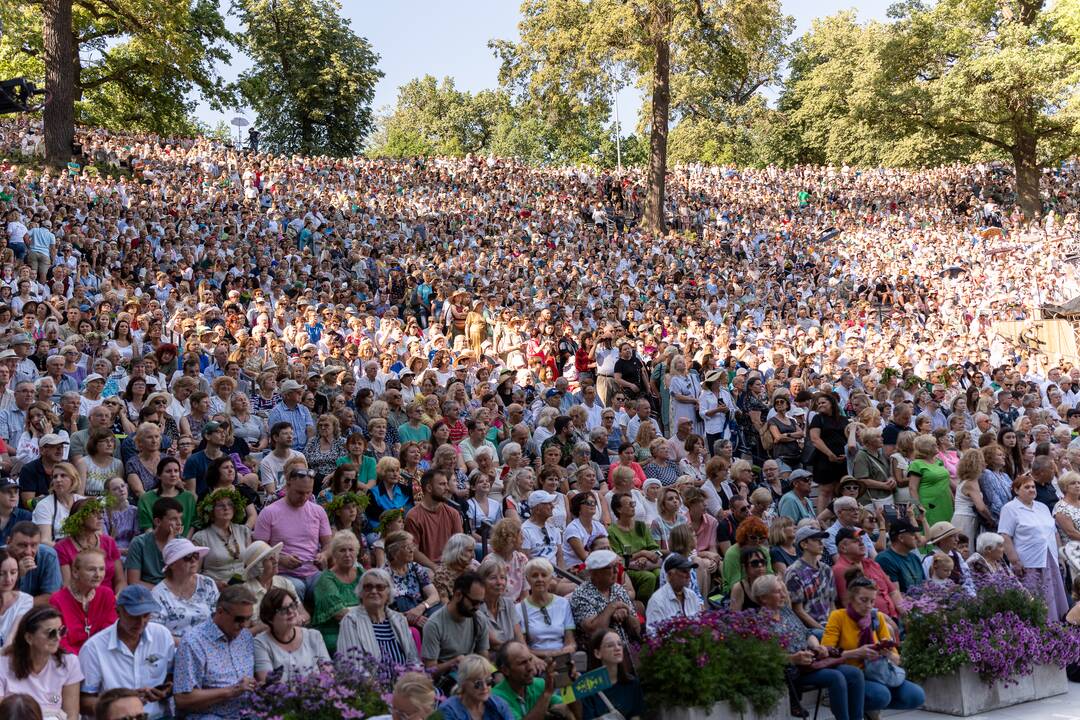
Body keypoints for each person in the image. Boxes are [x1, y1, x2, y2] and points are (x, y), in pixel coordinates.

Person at [755, 574, 865, 720]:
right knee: (836, 677)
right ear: (763, 598)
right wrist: (793, 659)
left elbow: (807, 633)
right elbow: (767, 658)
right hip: (792, 672)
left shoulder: (785, 611)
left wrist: (817, 646)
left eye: (783, 590)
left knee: (855, 673)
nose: (784, 595)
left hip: (811, 663)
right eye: (778, 592)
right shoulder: (760, 623)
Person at [822, 575, 926, 715]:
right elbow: (826, 652)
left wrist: (887, 653)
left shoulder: (877, 617)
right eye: (863, 600)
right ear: (851, 599)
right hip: (853, 675)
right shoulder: (838, 616)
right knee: (881, 695)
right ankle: (853, 705)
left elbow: (897, 659)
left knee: (916, 695)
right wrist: (856, 652)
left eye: (872, 601)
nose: (869, 606)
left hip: (879, 672)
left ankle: (867, 708)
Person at [77, 585, 175, 720]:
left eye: (146, 615)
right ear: (118, 611)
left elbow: (171, 677)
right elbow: (83, 701)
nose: (141, 622)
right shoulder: (94, 648)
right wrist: (122, 705)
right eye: (134, 616)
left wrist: (165, 691)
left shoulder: (162, 635)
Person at [173, 585, 257, 720]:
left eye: (248, 619)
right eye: (239, 619)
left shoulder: (245, 637)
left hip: (246, 713)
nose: (245, 625)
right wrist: (232, 691)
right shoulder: (194, 642)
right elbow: (183, 698)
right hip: (209, 715)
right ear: (220, 612)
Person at [252, 463, 332, 600]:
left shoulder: (318, 511)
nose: (304, 497)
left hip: (313, 571)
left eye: (309, 492)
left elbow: (328, 544)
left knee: (330, 586)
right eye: (300, 492)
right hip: (283, 573)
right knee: (295, 587)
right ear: (288, 486)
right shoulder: (269, 512)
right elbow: (258, 549)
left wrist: (324, 555)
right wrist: (280, 559)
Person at [999, 475, 1070, 622]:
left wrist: (1060, 554)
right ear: (1016, 490)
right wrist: (1014, 560)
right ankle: (1039, 625)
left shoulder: (1042, 506)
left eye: (1033, 487)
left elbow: (1054, 531)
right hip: (1029, 559)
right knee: (1035, 594)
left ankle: (1056, 623)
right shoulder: (1010, 508)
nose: (1031, 489)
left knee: (1053, 592)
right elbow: (1005, 535)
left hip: (1049, 556)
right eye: (1027, 487)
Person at [0, 606, 83, 720]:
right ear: (29, 638)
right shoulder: (2, 665)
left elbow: (71, 715)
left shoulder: (69, 663)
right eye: (51, 633)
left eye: (61, 631)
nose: (58, 638)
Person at [338, 566, 420, 668]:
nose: (373, 591)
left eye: (380, 587)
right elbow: (353, 667)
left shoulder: (400, 620)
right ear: (361, 592)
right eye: (368, 587)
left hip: (404, 681)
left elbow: (414, 660)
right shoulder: (351, 620)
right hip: (369, 682)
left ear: (388, 592)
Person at [253, 587, 330, 682]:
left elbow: (329, 674)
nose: (290, 611)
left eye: (292, 605)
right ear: (269, 618)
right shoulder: (261, 643)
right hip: (283, 696)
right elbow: (268, 684)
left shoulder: (313, 636)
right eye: (283, 609)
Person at [421, 572, 490, 679]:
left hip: (473, 675)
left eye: (480, 603)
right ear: (458, 595)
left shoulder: (479, 619)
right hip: (447, 680)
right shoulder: (434, 624)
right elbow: (430, 670)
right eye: (474, 602)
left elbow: (484, 657)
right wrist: (453, 662)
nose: (477, 607)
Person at [49, 549, 117, 654]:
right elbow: (60, 640)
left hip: (102, 655)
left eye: (102, 569)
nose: (98, 575)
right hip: (71, 660)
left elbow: (109, 632)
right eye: (91, 569)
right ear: (75, 572)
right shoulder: (57, 600)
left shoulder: (107, 595)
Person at [150, 538, 218, 642]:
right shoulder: (158, 594)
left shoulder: (207, 583)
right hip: (175, 648)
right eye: (187, 557)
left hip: (209, 643)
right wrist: (191, 645)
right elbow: (157, 633)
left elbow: (218, 618)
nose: (193, 560)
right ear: (172, 564)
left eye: (195, 555)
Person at [569, 550, 639, 645]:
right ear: (595, 573)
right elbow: (594, 631)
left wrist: (626, 612)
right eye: (611, 567)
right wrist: (612, 607)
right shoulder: (581, 594)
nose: (616, 571)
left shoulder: (618, 589)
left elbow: (636, 630)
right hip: (598, 654)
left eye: (617, 566)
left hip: (626, 649)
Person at [55, 497, 124, 594]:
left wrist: (116, 599)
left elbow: (120, 580)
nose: (100, 517)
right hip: (80, 599)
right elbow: (67, 585)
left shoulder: (109, 542)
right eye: (94, 513)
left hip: (111, 600)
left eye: (101, 512)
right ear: (79, 518)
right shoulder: (62, 547)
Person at [311, 529, 362, 655]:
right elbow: (339, 613)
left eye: (351, 550)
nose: (347, 554)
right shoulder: (326, 579)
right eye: (342, 550)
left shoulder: (362, 574)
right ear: (334, 554)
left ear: (357, 552)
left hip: (362, 627)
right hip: (335, 631)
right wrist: (366, 612)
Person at [491, 641, 570, 720]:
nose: (530, 668)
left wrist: (571, 684)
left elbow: (567, 708)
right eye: (523, 663)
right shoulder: (496, 697)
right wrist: (547, 693)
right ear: (505, 670)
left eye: (530, 660)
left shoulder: (539, 684)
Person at [579, 629, 646, 720]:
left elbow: (635, 716)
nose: (617, 648)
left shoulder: (632, 683)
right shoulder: (587, 687)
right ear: (597, 653)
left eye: (619, 644)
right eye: (610, 645)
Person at [191, 487, 252, 587]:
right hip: (214, 589)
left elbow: (250, 564)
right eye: (220, 505)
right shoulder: (200, 538)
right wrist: (215, 584)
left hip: (242, 587)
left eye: (230, 504)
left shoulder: (243, 531)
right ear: (211, 510)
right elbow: (194, 574)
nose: (226, 508)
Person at [405, 469, 464, 572]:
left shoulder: (453, 513)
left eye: (447, 484)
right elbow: (414, 551)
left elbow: (460, 545)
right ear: (429, 488)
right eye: (442, 484)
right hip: (426, 567)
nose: (447, 488)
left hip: (451, 564)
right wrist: (434, 567)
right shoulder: (413, 516)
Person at [516, 558, 575, 660]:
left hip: (562, 659)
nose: (540, 579)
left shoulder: (563, 604)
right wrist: (548, 654)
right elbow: (522, 647)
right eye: (535, 575)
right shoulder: (520, 608)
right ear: (527, 579)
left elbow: (570, 643)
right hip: (535, 661)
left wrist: (559, 654)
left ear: (551, 578)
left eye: (544, 575)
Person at [606, 492, 660, 601]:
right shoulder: (612, 531)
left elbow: (655, 549)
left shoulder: (641, 525)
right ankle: (642, 607)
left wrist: (645, 557)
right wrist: (642, 553)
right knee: (648, 577)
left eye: (633, 503)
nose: (633, 507)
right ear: (619, 509)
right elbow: (619, 558)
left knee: (660, 573)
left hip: (647, 563)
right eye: (629, 504)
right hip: (628, 567)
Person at [784, 525, 835, 633]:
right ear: (804, 544)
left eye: (821, 540)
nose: (821, 543)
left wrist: (836, 627)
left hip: (829, 625)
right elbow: (798, 610)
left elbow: (831, 604)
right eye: (817, 540)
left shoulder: (827, 569)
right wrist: (824, 630)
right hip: (809, 630)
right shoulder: (794, 572)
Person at [124, 498, 183, 588]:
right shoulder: (139, 543)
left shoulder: (182, 543)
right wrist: (163, 592)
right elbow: (133, 582)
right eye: (173, 519)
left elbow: (182, 580)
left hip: (174, 593)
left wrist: (171, 546)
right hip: (146, 594)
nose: (179, 523)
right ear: (157, 522)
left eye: (180, 518)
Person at [439, 652, 515, 720]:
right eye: (478, 683)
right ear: (463, 683)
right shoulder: (448, 711)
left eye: (488, 681)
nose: (485, 687)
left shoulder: (499, 705)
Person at [136, 456, 196, 535]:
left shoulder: (189, 497)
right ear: (159, 475)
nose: (173, 474)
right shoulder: (146, 499)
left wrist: (184, 543)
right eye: (168, 471)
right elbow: (148, 529)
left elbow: (193, 524)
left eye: (176, 471)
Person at [645, 553, 702, 634]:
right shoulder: (656, 601)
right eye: (684, 571)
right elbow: (653, 635)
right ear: (670, 574)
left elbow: (699, 625)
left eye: (689, 571)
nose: (689, 576)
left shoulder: (692, 595)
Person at [7, 521, 63, 602]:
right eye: (22, 545)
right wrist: (17, 575)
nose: (28, 552)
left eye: (34, 545)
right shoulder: (2, 557)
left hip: (37, 612)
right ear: (8, 542)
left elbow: (51, 596)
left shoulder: (48, 556)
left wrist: (21, 607)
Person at [907, 434, 954, 526]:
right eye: (933, 444)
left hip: (945, 502)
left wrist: (953, 501)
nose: (937, 445)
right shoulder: (917, 464)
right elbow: (912, 488)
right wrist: (918, 507)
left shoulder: (938, 461)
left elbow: (946, 483)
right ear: (925, 448)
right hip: (929, 504)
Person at [874, 519, 926, 593]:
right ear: (901, 538)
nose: (917, 537)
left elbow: (925, 586)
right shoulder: (885, 560)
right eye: (912, 534)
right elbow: (895, 596)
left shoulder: (915, 558)